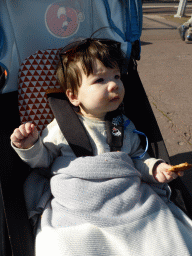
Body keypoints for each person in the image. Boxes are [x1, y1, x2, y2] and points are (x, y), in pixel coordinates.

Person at [10, 38, 182, 183]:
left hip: (120, 189)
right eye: (100, 80)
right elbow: (44, 162)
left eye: (116, 76)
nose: (114, 84)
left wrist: (154, 168)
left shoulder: (123, 125)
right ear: (73, 96)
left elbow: (137, 158)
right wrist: (30, 147)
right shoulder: (61, 128)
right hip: (79, 190)